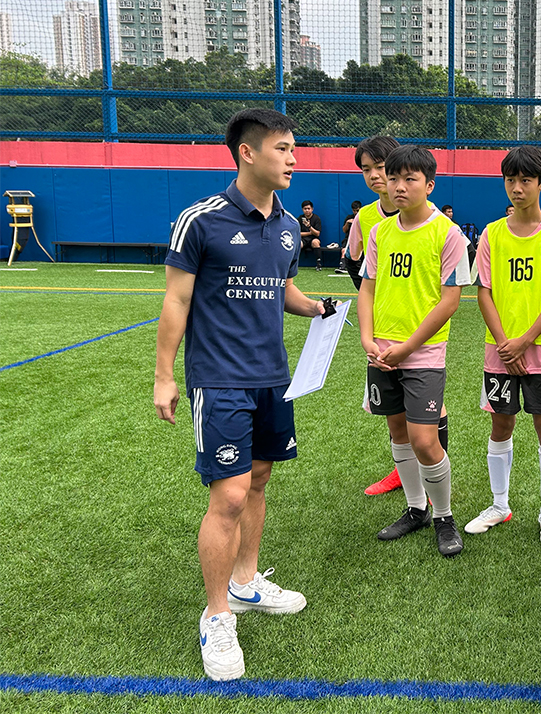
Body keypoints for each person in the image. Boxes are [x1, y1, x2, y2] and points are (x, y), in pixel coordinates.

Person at [153, 108, 326, 681]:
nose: (293, 160)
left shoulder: (287, 226)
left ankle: (246, 583)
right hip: (219, 379)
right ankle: (217, 615)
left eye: (295, 149)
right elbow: (177, 300)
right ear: (248, 153)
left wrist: (315, 307)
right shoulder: (200, 220)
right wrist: (164, 375)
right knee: (227, 496)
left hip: (273, 378)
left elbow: (282, 287)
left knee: (258, 480)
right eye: (283, 149)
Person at [357, 144, 471, 557]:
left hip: (421, 353)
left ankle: (444, 516)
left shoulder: (448, 234)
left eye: (409, 179)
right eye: (393, 178)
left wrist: (406, 347)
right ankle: (416, 508)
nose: (398, 186)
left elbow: (449, 302)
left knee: (425, 440)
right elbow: (367, 288)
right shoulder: (379, 232)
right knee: (398, 433)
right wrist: (367, 338)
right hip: (381, 351)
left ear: (429, 184)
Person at [465, 145, 541, 547]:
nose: (517, 188)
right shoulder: (491, 233)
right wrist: (503, 343)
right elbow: (484, 291)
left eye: (525, 180)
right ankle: (499, 505)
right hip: (499, 352)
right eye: (510, 180)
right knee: (501, 424)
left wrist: (525, 341)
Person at [348, 136, 450, 496]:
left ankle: (434, 478)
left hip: (420, 335)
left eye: (381, 167)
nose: (376, 176)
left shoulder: (436, 224)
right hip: (383, 335)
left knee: (427, 419)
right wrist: (372, 322)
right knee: (396, 419)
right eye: (367, 170)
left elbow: (445, 293)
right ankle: (408, 483)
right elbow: (358, 270)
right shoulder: (367, 220)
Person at [336, 200, 362, 275]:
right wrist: (347, 223)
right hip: (349, 239)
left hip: (360, 239)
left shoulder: (363, 218)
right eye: (354, 210)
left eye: (357, 210)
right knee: (344, 250)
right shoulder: (349, 218)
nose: (356, 212)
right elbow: (344, 230)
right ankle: (342, 267)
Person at [299, 200, 323, 271]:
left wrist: (309, 226)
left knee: (315, 242)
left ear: (312, 209)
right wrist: (309, 233)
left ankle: (318, 264)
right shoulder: (300, 219)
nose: (307, 210)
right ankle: (293, 264)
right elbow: (298, 233)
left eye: (308, 208)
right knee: (298, 244)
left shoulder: (316, 218)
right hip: (303, 239)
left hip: (313, 238)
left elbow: (317, 233)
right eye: (305, 209)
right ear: (302, 209)